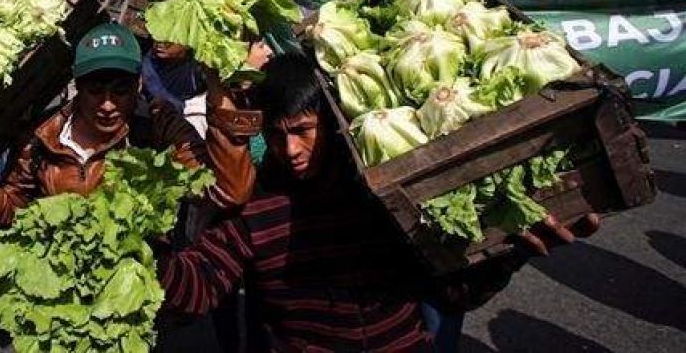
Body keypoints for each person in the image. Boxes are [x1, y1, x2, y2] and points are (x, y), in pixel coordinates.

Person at [156, 53, 597, 352]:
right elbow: (197, 285)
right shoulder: (259, 212)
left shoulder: (381, 200)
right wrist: (147, 252)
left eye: (302, 130)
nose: (289, 149)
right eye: (275, 134)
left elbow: (451, 293)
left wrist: (508, 253)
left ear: (331, 126)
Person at [0, 22, 259, 228]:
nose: (108, 104)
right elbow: (15, 208)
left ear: (138, 84)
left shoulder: (157, 129)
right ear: (78, 88)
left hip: (134, 291)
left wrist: (218, 89)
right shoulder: (42, 137)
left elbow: (228, 191)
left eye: (120, 91)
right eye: (95, 91)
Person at [141, 40, 208, 137]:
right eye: (156, 37)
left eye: (167, 38)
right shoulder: (147, 69)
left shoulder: (199, 66)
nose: (160, 43)